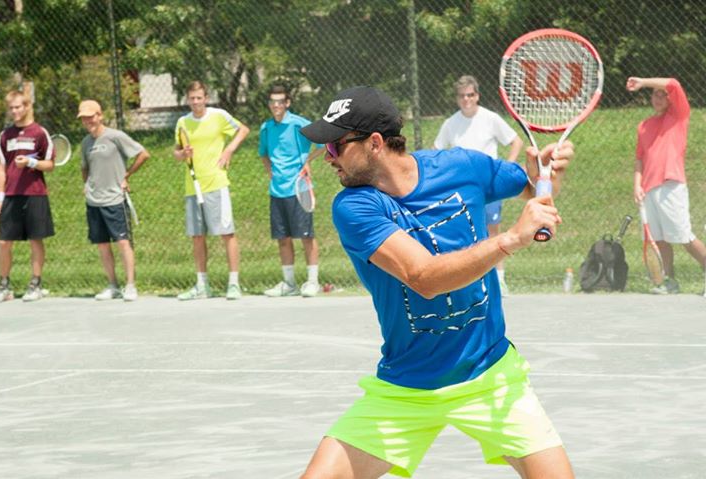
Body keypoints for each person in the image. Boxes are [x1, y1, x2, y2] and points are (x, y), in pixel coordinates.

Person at [299, 86, 575, 478]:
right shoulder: (354, 206)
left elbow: (533, 188)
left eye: (335, 146)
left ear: (374, 143)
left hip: (490, 374)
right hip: (407, 386)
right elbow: (423, 278)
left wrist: (548, 174)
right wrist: (511, 239)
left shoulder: (462, 166)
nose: (329, 157)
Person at [434, 75, 523, 296]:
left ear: (477, 96)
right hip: (462, 188)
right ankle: (468, 284)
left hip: (488, 185)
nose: (467, 99)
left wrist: (505, 168)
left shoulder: (490, 118)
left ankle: (499, 281)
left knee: (493, 232)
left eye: (470, 95)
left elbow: (516, 141)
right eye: (462, 96)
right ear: (457, 99)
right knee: (465, 234)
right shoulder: (450, 124)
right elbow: (436, 151)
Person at [627, 76, 706, 294]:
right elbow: (640, 159)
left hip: (671, 186)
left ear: (671, 100)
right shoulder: (644, 126)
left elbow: (673, 83)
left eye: (663, 95)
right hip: (648, 190)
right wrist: (637, 185)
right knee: (660, 240)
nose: (659, 98)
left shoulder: (679, 115)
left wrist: (643, 82)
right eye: (655, 94)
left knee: (684, 237)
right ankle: (670, 282)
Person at [173, 81, 250, 301]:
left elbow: (243, 130)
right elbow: (177, 152)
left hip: (216, 184)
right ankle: (202, 286)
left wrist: (229, 150)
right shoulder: (182, 122)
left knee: (227, 234)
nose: (196, 102)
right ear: (187, 99)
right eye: (192, 98)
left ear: (206, 98)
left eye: (199, 98)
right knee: (197, 237)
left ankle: (233, 284)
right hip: (192, 187)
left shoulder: (219, 116)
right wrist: (182, 155)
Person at [79, 99, 150, 301]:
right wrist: (87, 185)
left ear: (100, 116)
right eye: (84, 118)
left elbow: (143, 154)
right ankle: (113, 286)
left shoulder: (115, 136)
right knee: (102, 245)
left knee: (123, 242)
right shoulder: (85, 143)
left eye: (91, 116)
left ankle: (130, 285)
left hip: (115, 200)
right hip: (94, 202)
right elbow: (85, 168)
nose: (88, 121)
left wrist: (126, 175)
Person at [0, 90, 55, 303]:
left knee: (36, 240)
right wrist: (0, 196)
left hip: (35, 194)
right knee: (3, 242)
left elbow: (50, 164)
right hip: (11, 196)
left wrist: (31, 162)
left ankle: (36, 284)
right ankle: (4, 286)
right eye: (11, 108)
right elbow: (1, 167)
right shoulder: (5, 135)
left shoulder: (40, 133)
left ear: (27, 106)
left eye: (18, 107)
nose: (14, 111)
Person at [258, 85, 323, 297]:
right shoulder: (266, 128)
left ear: (287, 103)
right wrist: (270, 172)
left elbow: (323, 143)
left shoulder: (299, 124)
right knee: (283, 239)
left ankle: (313, 282)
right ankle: (289, 284)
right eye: (272, 102)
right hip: (277, 191)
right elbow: (263, 153)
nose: (276, 105)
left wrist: (307, 161)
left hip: (299, 189)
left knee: (306, 236)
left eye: (280, 101)